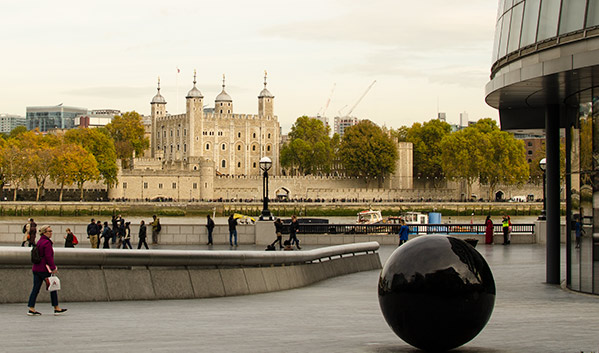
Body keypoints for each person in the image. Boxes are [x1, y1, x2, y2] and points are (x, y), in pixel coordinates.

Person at [27, 225, 67, 316]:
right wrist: (53, 268)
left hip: (36, 268)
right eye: (49, 231)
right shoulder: (47, 243)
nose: (51, 232)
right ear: (44, 232)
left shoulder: (40, 241)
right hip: (44, 269)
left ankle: (31, 308)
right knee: (53, 287)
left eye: (51, 231)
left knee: (35, 289)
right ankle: (56, 308)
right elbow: (49, 257)